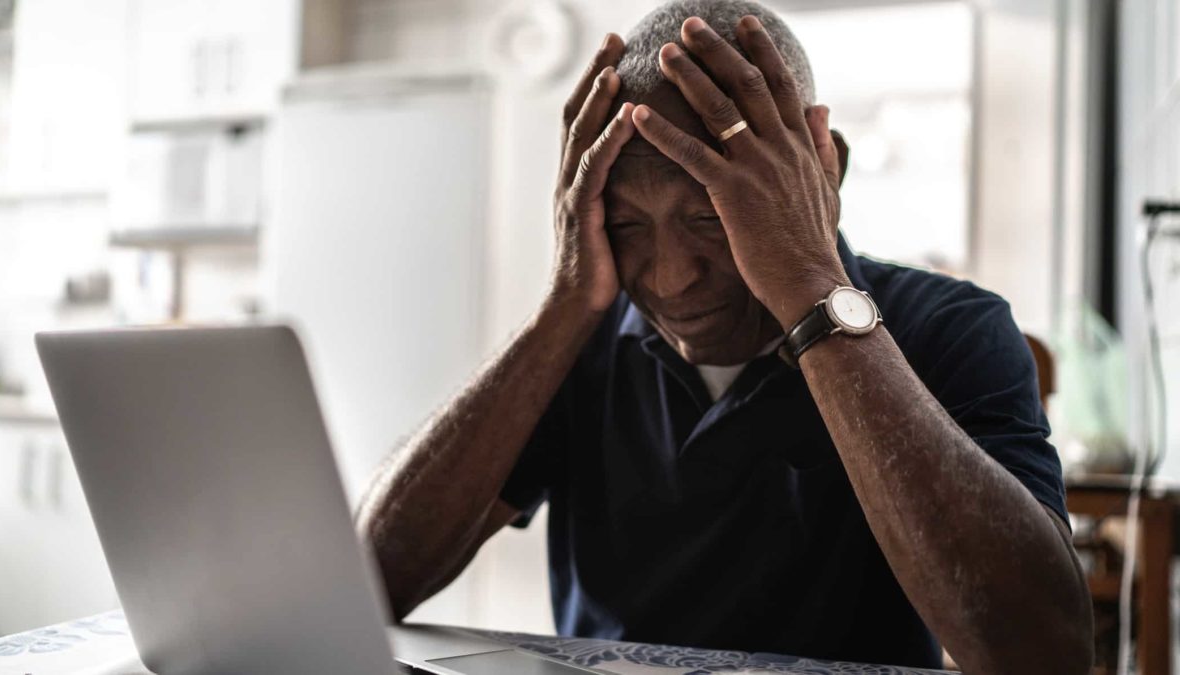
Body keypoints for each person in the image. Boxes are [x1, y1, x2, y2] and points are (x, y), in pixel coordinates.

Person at [355, 1, 1093, 672]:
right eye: (625, 225)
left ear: (820, 171)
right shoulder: (584, 339)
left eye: (712, 216)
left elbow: (1041, 653)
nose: (671, 278)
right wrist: (562, 307)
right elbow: (368, 579)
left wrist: (811, 289)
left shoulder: (950, 328)